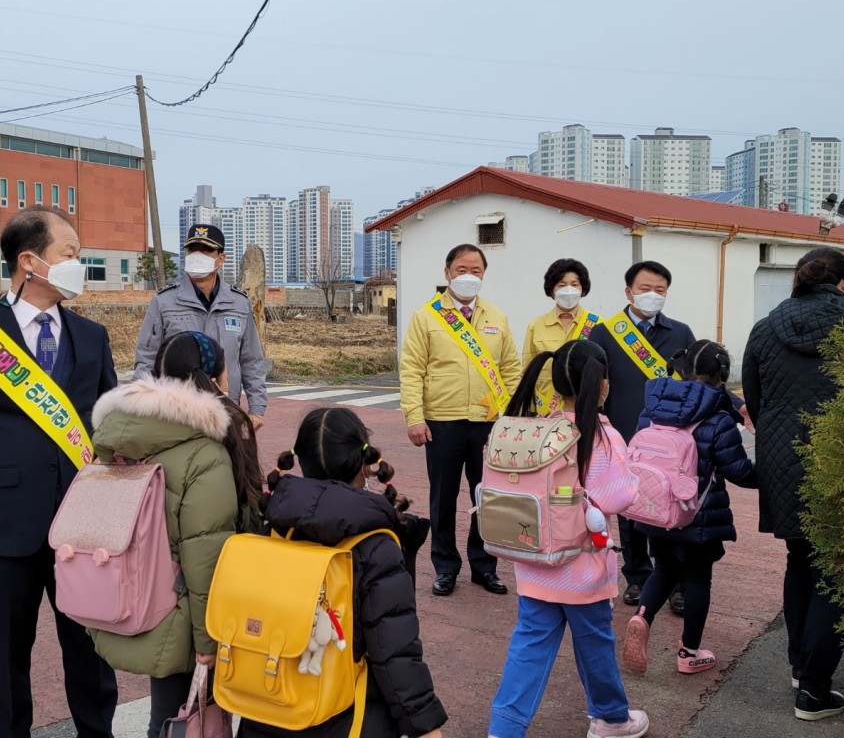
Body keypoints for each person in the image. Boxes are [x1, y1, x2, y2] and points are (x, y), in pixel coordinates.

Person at [0, 206, 118, 738]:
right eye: (71, 253)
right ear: (30, 262)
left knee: (91, 648)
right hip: (5, 524)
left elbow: (107, 424)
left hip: (82, 525)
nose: (79, 263)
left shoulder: (92, 336)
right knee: (8, 653)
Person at [89, 331, 263, 738]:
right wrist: (208, 642)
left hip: (141, 597)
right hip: (191, 617)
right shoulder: (205, 454)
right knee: (194, 722)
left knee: (168, 717)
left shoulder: (128, 435)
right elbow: (205, 559)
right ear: (217, 378)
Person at [241, 406, 447, 738]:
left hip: (270, 707)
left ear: (301, 460)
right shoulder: (375, 545)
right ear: (365, 465)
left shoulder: (274, 526)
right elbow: (393, 649)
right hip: (350, 715)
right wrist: (425, 724)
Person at [488, 340, 647, 738]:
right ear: (603, 385)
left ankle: (503, 729)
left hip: (534, 561)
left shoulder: (537, 429)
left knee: (528, 648)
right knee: (594, 644)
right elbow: (622, 496)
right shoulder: (603, 437)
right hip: (582, 568)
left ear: (556, 385)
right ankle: (611, 718)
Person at [742, 247, 844, 722]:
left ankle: (799, 663)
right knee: (835, 572)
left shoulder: (765, 328)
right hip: (840, 461)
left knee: (800, 560)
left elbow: (754, 396)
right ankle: (813, 689)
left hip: (781, 457)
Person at [622, 341, 756, 678]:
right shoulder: (717, 419)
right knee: (698, 579)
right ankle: (689, 652)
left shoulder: (652, 408)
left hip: (655, 511)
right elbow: (739, 471)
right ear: (722, 377)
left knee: (663, 568)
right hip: (698, 515)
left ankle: (642, 616)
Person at [400, 244, 522, 597]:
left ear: (484, 274)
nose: (469, 276)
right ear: (447, 272)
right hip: (442, 422)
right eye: (461, 269)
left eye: (476, 270)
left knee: (486, 498)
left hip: (488, 424)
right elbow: (411, 370)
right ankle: (445, 567)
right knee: (443, 498)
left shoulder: (497, 317)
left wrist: (511, 418)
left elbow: (511, 369)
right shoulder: (427, 317)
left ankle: (484, 566)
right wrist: (414, 417)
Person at [588, 260, 695, 609]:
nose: (652, 295)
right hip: (623, 435)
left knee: (673, 507)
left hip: (670, 440)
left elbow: (696, 383)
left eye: (660, 290)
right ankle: (637, 576)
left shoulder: (681, 333)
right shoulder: (604, 333)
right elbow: (594, 384)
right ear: (628, 291)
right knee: (629, 506)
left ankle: (679, 583)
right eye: (645, 288)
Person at [134, 223, 267, 430]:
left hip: (226, 411)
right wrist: (141, 408)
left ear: (220, 258)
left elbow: (251, 360)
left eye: (206, 250)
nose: (197, 255)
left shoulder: (239, 303)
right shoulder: (164, 302)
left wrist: (256, 409)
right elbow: (146, 358)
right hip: (177, 412)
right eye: (192, 249)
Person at [521, 258, 601, 414]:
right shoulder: (536, 326)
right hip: (544, 412)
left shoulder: (598, 325)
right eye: (562, 285)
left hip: (585, 411)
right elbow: (527, 371)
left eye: (574, 284)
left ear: (582, 289)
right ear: (552, 290)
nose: (568, 290)